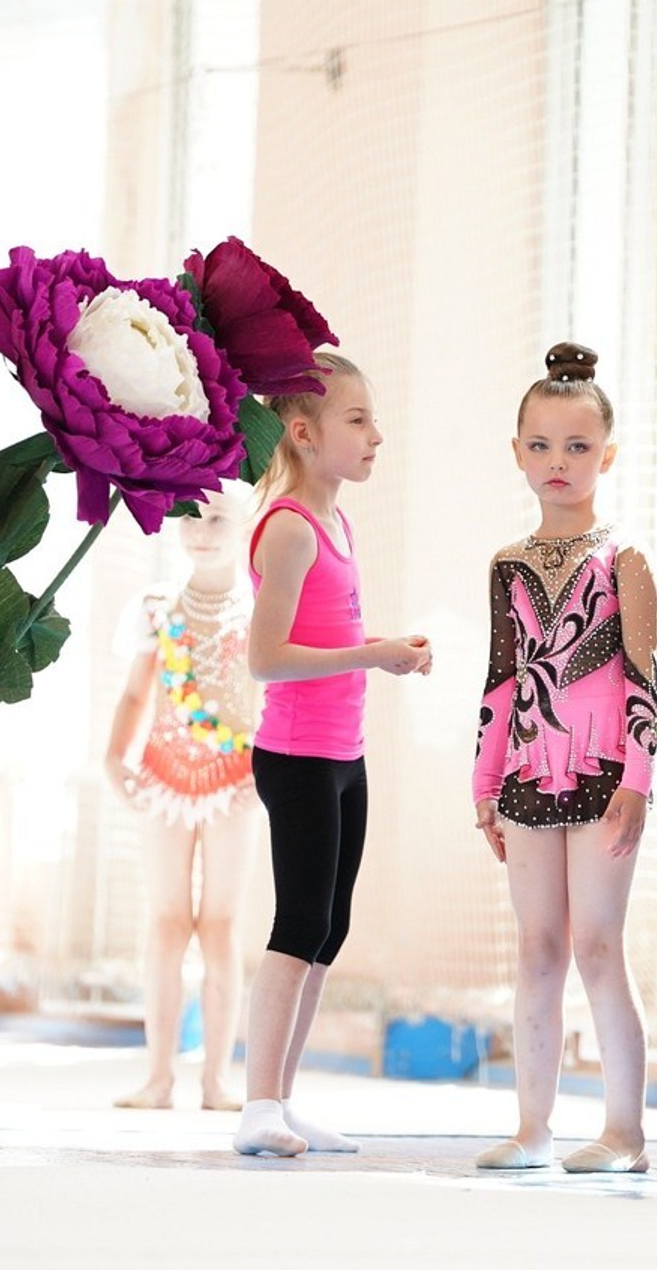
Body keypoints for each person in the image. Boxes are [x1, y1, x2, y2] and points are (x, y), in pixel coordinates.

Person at [232, 351, 433, 1157]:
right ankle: (256, 1105)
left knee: (329, 930)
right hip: (296, 756)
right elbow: (266, 658)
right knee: (298, 925)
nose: (376, 435)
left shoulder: (337, 524)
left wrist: (384, 649)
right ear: (304, 433)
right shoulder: (287, 527)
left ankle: (281, 1098)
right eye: (358, 420)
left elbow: (326, 633)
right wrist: (372, 653)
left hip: (343, 754)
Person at [472, 342, 657, 1175]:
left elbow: (644, 678)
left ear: (606, 457)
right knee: (538, 946)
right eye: (542, 445)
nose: (558, 461)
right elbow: (500, 680)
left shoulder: (625, 561)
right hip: (525, 777)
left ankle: (626, 1133)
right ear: (517, 452)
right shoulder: (506, 565)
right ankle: (533, 1129)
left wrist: (638, 781)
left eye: (578, 446)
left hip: (604, 777)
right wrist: (485, 784)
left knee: (598, 946)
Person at [105, 483, 261, 1112]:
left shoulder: (260, 609)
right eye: (190, 515)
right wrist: (114, 757)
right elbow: (136, 694)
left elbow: (275, 698)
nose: (200, 529)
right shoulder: (157, 607)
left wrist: (267, 770)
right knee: (167, 922)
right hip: (164, 776)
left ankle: (217, 1080)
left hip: (236, 782)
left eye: (216, 518)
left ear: (245, 523)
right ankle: (158, 1077)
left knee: (220, 925)